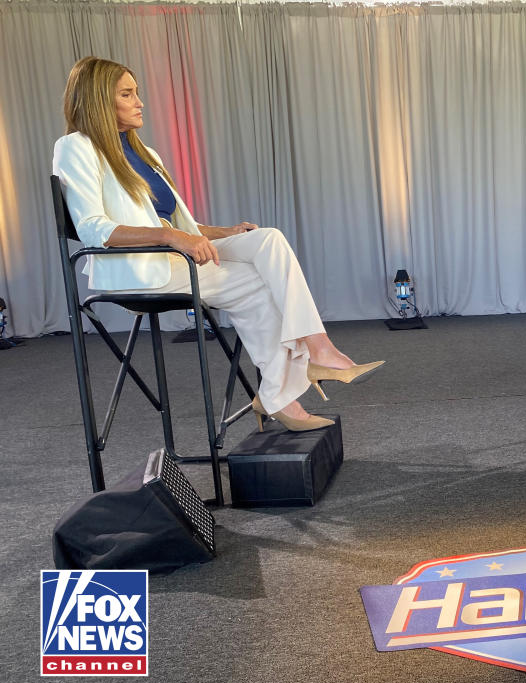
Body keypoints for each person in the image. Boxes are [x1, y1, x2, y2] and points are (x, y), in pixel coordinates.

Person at [53, 57, 383, 432]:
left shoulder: (146, 155)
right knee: (258, 286)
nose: (139, 101)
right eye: (127, 94)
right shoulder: (75, 148)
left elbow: (179, 224)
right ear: (98, 101)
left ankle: (317, 352)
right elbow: (95, 229)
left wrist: (223, 232)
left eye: (137, 92)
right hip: (139, 269)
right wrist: (173, 237)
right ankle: (283, 393)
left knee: (268, 240)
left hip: (174, 254)